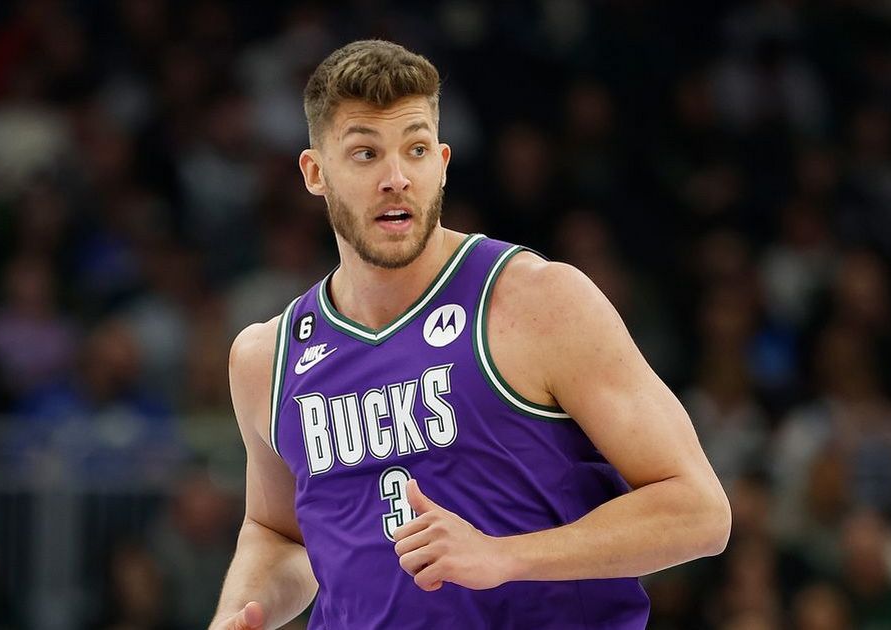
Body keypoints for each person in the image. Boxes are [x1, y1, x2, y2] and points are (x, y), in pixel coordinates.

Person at [210, 40, 731, 630]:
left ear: (443, 162)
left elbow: (699, 511)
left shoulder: (537, 301)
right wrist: (239, 612)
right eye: (365, 154)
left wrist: (506, 556)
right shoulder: (267, 357)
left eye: (416, 149)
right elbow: (280, 534)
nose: (396, 178)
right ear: (315, 173)